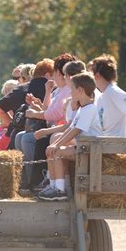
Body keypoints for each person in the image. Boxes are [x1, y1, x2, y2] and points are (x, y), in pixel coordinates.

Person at [15, 54, 76, 193]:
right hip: (55, 129)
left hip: (59, 131)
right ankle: (27, 178)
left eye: (55, 73)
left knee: (27, 138)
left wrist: (35, 114)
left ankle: (38, 178)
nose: (53, 77)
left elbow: (54, 115)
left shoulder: (67, 91)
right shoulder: (59, 90)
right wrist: (44, 97)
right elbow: (49, 112)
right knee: (20, 136)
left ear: (62, 74)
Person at [39, 72, 102, 201]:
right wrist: (54, 144)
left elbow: (77, 130)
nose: (70, 92)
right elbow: (70, 129)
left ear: (80, 90)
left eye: (72, 89)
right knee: (53, 150)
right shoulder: (82, 109)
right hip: (83, 147)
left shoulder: (89, 109)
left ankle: (60, 190)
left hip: (91, 150)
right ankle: (53, 186)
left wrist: (57, 145)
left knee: (57, 152)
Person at [90, 54, 126, 137]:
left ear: (97, 75)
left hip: (118, 145)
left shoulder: (112, 91)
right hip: (108, 144)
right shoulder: (103, 95)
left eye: (91, 75)